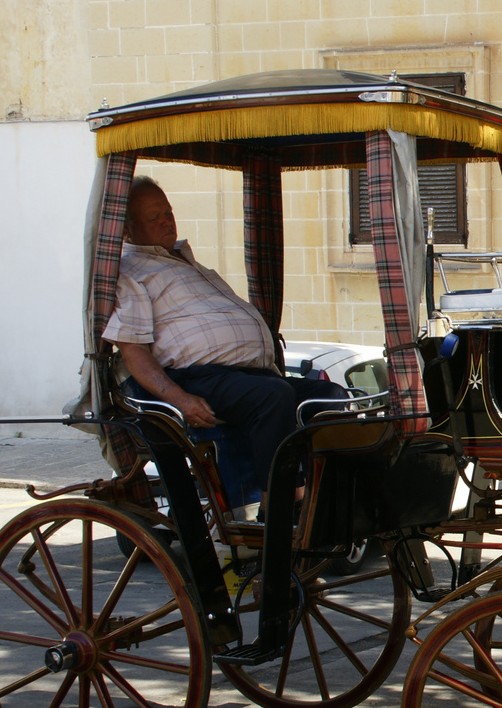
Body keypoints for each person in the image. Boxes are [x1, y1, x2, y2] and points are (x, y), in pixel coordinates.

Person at [103, 177, 345, 502]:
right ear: (126, 230)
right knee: (272, 396)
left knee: (330, 396)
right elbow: (134, 353)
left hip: (247, 377)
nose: (166, 221)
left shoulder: (184, 261)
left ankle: (329, 495)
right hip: (196, 379)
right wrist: (180, 399)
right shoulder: (130, 272)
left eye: (168, 212)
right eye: (153, 217)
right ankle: (282, 505)